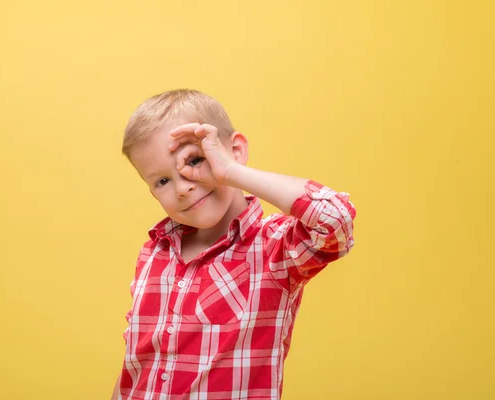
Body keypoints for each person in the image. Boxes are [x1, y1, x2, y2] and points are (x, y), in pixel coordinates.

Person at [112, 89, 356, 399]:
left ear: (234, 151)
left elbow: (335, 219)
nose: (183, 188)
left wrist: (231, 173)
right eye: (162, 181)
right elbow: (136, 365)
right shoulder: (154, 253)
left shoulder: (273, 247)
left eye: (196, 161)